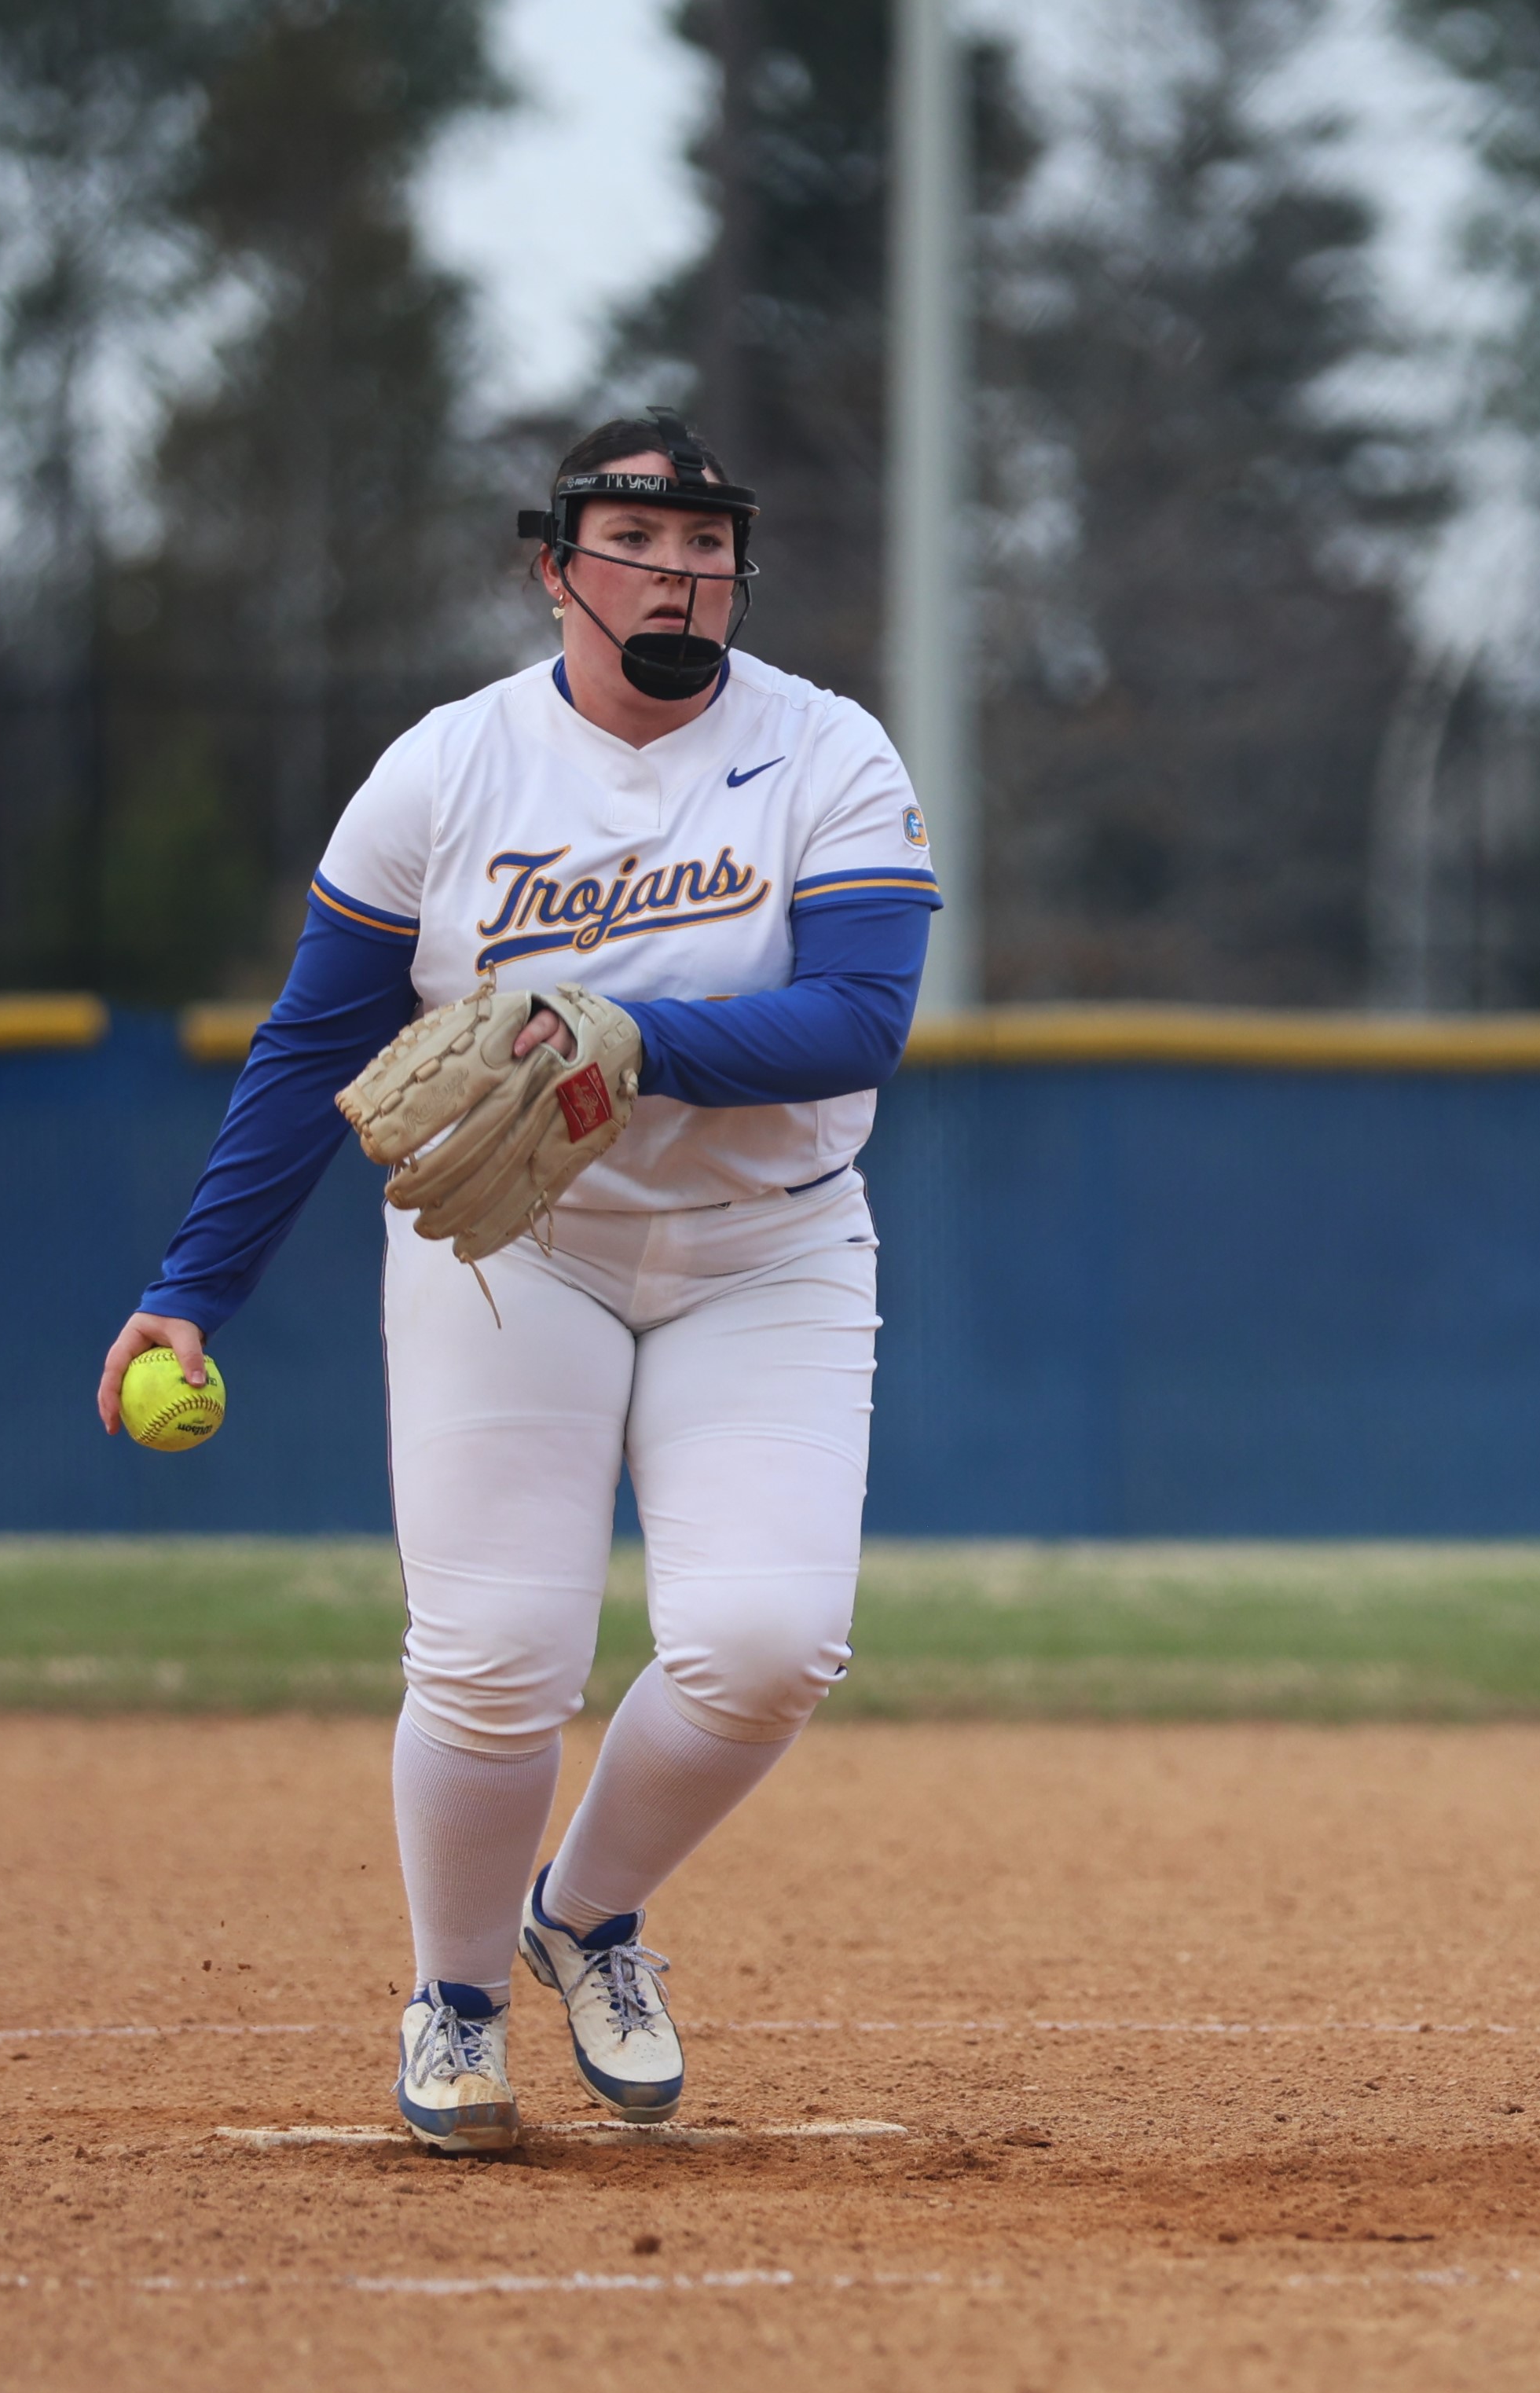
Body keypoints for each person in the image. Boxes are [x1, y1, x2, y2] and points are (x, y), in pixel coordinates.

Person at [94, 411, 944, 2149]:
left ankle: (587, 1917)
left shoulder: (827, 750)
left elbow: (862, 1018)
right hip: (509, 1250)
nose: (678, 574)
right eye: (635, 544)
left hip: (767, 1244)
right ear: (558, 571)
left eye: (707, 547)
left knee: (767, 1646)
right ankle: (458, 2000)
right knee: (497, 1656)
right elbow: (314, 1045)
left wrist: (633, 1035)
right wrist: (196, 1283)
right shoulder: (448, 769)